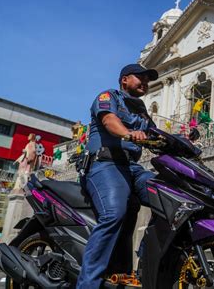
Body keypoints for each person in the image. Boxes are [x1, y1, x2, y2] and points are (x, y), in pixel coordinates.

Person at [76, 64, 158, 288]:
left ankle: (144, 269)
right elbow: (109, 121)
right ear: (124, 80)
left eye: (147, 79)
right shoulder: (108, 97)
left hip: (132, 168)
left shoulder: (141, 110)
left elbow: (158, 136)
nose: (145, 82)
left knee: (168, 198)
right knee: (114, 213)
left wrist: (185, 141)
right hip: (105, 164)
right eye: (139, 77)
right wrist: (129, 133)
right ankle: (87, 284)